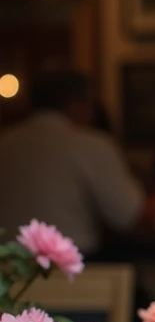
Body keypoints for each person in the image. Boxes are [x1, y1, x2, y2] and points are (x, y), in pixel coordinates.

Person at [0, 67, 144, 254]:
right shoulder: (91, 145)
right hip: (75, 268)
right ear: (76, 104)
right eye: (90, 104)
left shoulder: (5, 142)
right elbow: (126, 215)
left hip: (7, 269)